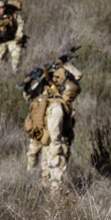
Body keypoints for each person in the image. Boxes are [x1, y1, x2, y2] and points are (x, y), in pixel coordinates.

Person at [22, 52, 82, 194]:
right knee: (54, 168)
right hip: (51, 139)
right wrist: (59, 148)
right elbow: (55, 131)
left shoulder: (48, 96)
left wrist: (64, 64)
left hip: (42, 136)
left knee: (43, 166)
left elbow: (78, 77)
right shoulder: (57, 107)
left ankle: (41, 191)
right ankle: (55, 200)